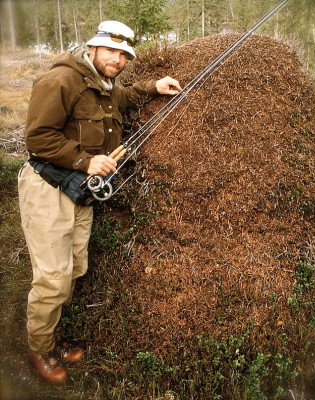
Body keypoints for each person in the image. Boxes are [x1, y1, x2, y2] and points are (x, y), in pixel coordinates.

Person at [18, 20, 181, 384]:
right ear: (92, 47)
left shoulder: (104, 85)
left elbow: (120, 99)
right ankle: (40, 346)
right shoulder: (60, 80)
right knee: (53, 278)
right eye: (111, 50)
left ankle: (52, 334)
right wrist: (85, 159)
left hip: (79, 190)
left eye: (124, 54)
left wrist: (153, 87)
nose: (118, 59)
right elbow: (38, 138)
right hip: (48, 187)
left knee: (74, 267)